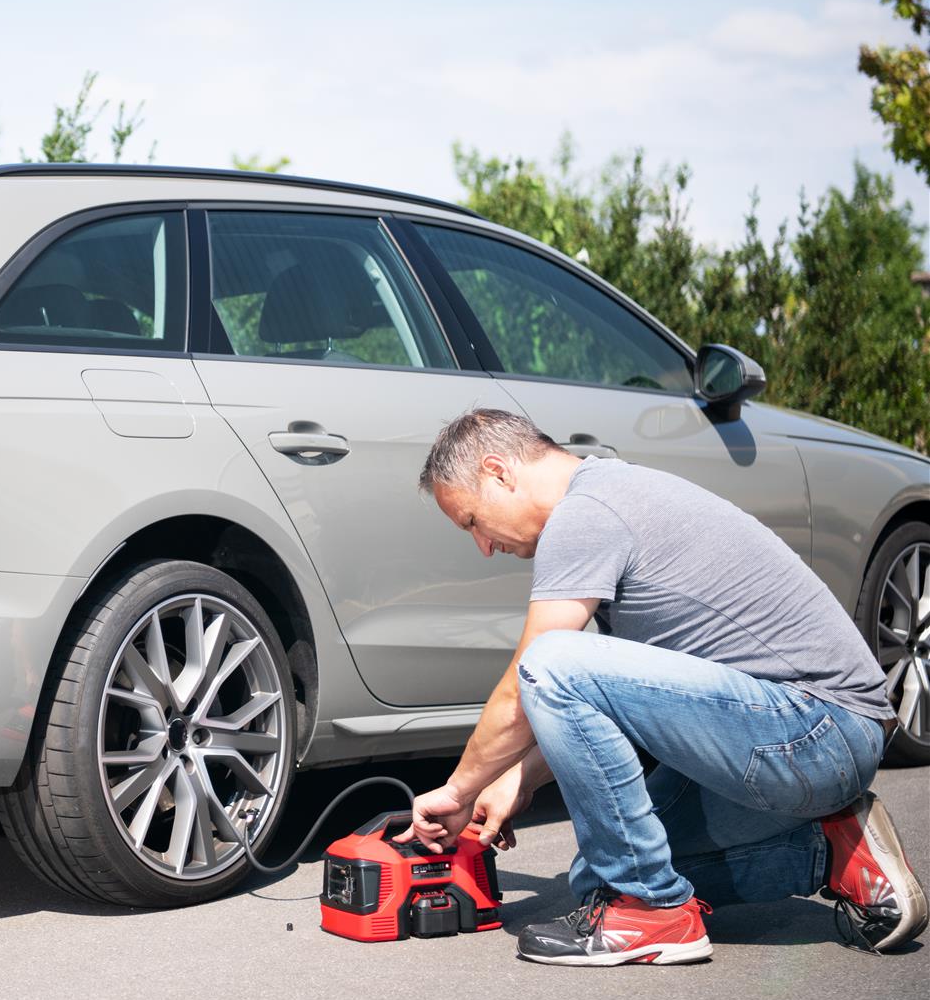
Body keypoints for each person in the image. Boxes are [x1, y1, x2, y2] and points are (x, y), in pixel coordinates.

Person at [395, 408, 926, 966]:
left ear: (499, 471)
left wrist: (456, 792)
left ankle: (653, 912)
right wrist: (516, 780)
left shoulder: (584, 515)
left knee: (550, 662)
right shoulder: (612, 493)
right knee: (598, 877)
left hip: (816, 732)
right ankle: (833, 852)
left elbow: (535, 678)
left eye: (473, 522)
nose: (482, 545)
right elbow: (613, 699)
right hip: (812, 737)